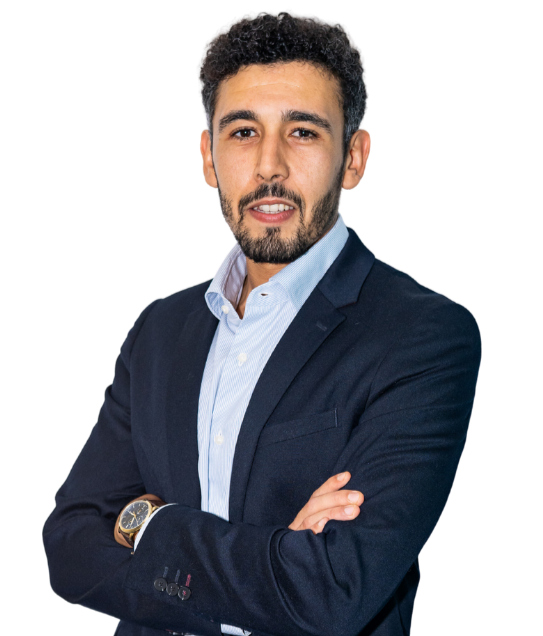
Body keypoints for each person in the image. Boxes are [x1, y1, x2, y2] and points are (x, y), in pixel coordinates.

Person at [43, 10, 481, 636]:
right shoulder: (159, 330)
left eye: (302, 132)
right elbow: (68, 546)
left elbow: (335, 591)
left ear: (354, 158)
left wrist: (145, 525)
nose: (269, 165)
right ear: (208, 157)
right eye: (244, 132)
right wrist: (278, 556)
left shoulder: (424, 336)